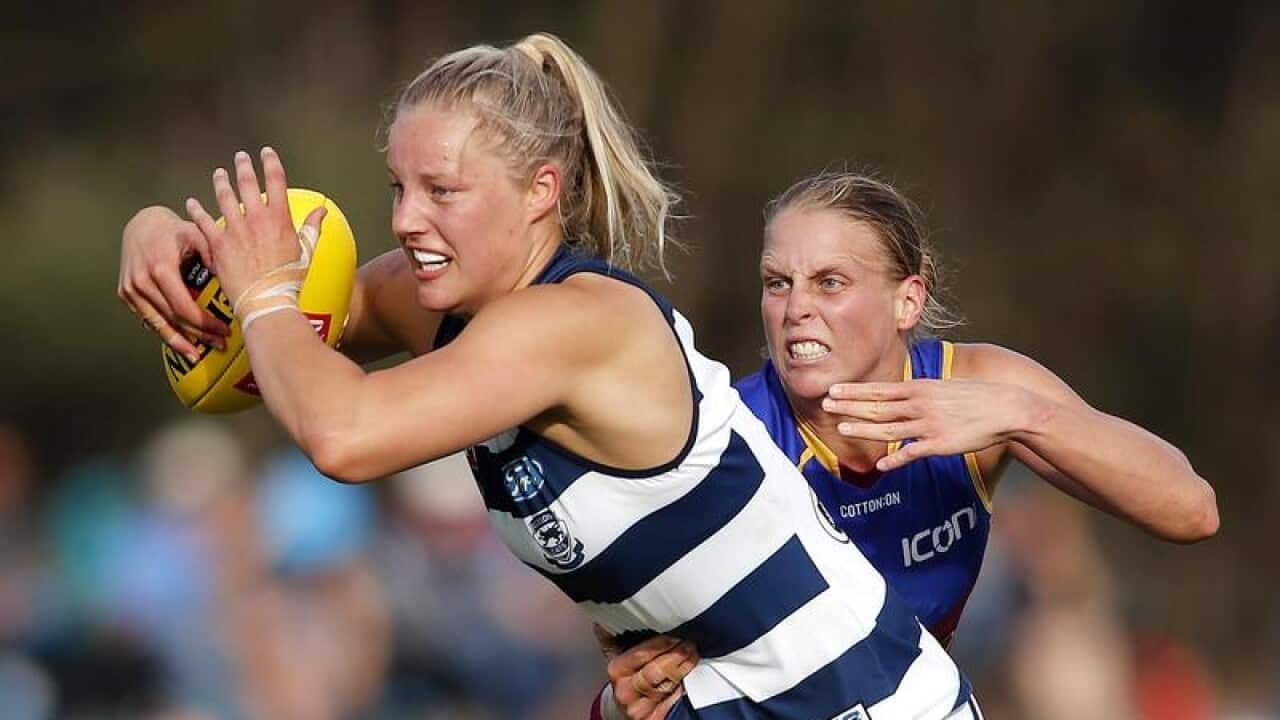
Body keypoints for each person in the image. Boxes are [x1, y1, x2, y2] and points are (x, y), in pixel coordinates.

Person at [118, 33, 982, 719]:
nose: (405, 219)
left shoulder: (575, 324)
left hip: (864, 704)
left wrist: (264, 287)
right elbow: (282, 350)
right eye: (396, 187)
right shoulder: (443, 300)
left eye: (441, 190)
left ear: (541, 190)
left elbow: (340, 430)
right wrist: (161, 236)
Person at [593, 171, 1219, 719]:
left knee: (1068, 651)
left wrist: (1027, 416)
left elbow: (1191, 509)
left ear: (907, 300)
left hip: (920, 703)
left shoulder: (976, 387)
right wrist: (625, 700)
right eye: (778, 282)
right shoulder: (731, 433)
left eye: (830, 282)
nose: (796, 309)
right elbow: (626, 670)